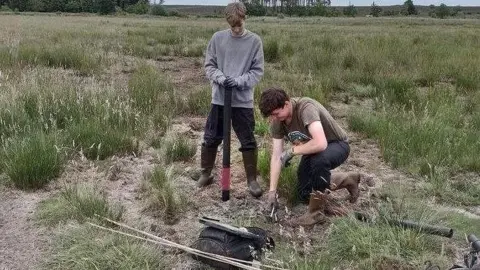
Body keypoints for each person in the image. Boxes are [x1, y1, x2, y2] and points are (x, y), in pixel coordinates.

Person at [258, 87, 360, 220]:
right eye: (271, 115)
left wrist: (291, 151)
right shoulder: (278, 121)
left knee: (318, 162)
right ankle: (347, 179)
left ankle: (315, 214)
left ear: (287, 104)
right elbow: (277, 156)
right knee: (304, 193)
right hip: (314, 150)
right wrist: (272, 191)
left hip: (337, 144)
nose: (274, 118)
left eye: (276, 114)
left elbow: (321, 143)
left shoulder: (306, 108)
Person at [197, 2, 264, 198]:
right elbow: (209, 65)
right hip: (219, 99)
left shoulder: (254, 41)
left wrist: (238, 81)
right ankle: (206, 173)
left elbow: (257, 72)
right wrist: (220, 78)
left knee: (248, 140)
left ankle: (251, 180)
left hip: (242, 101)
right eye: (232, 25)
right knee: (211, 137)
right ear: (227, 21)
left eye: (239, 25)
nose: (235, 29)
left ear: (245, 18)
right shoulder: (217, 39)